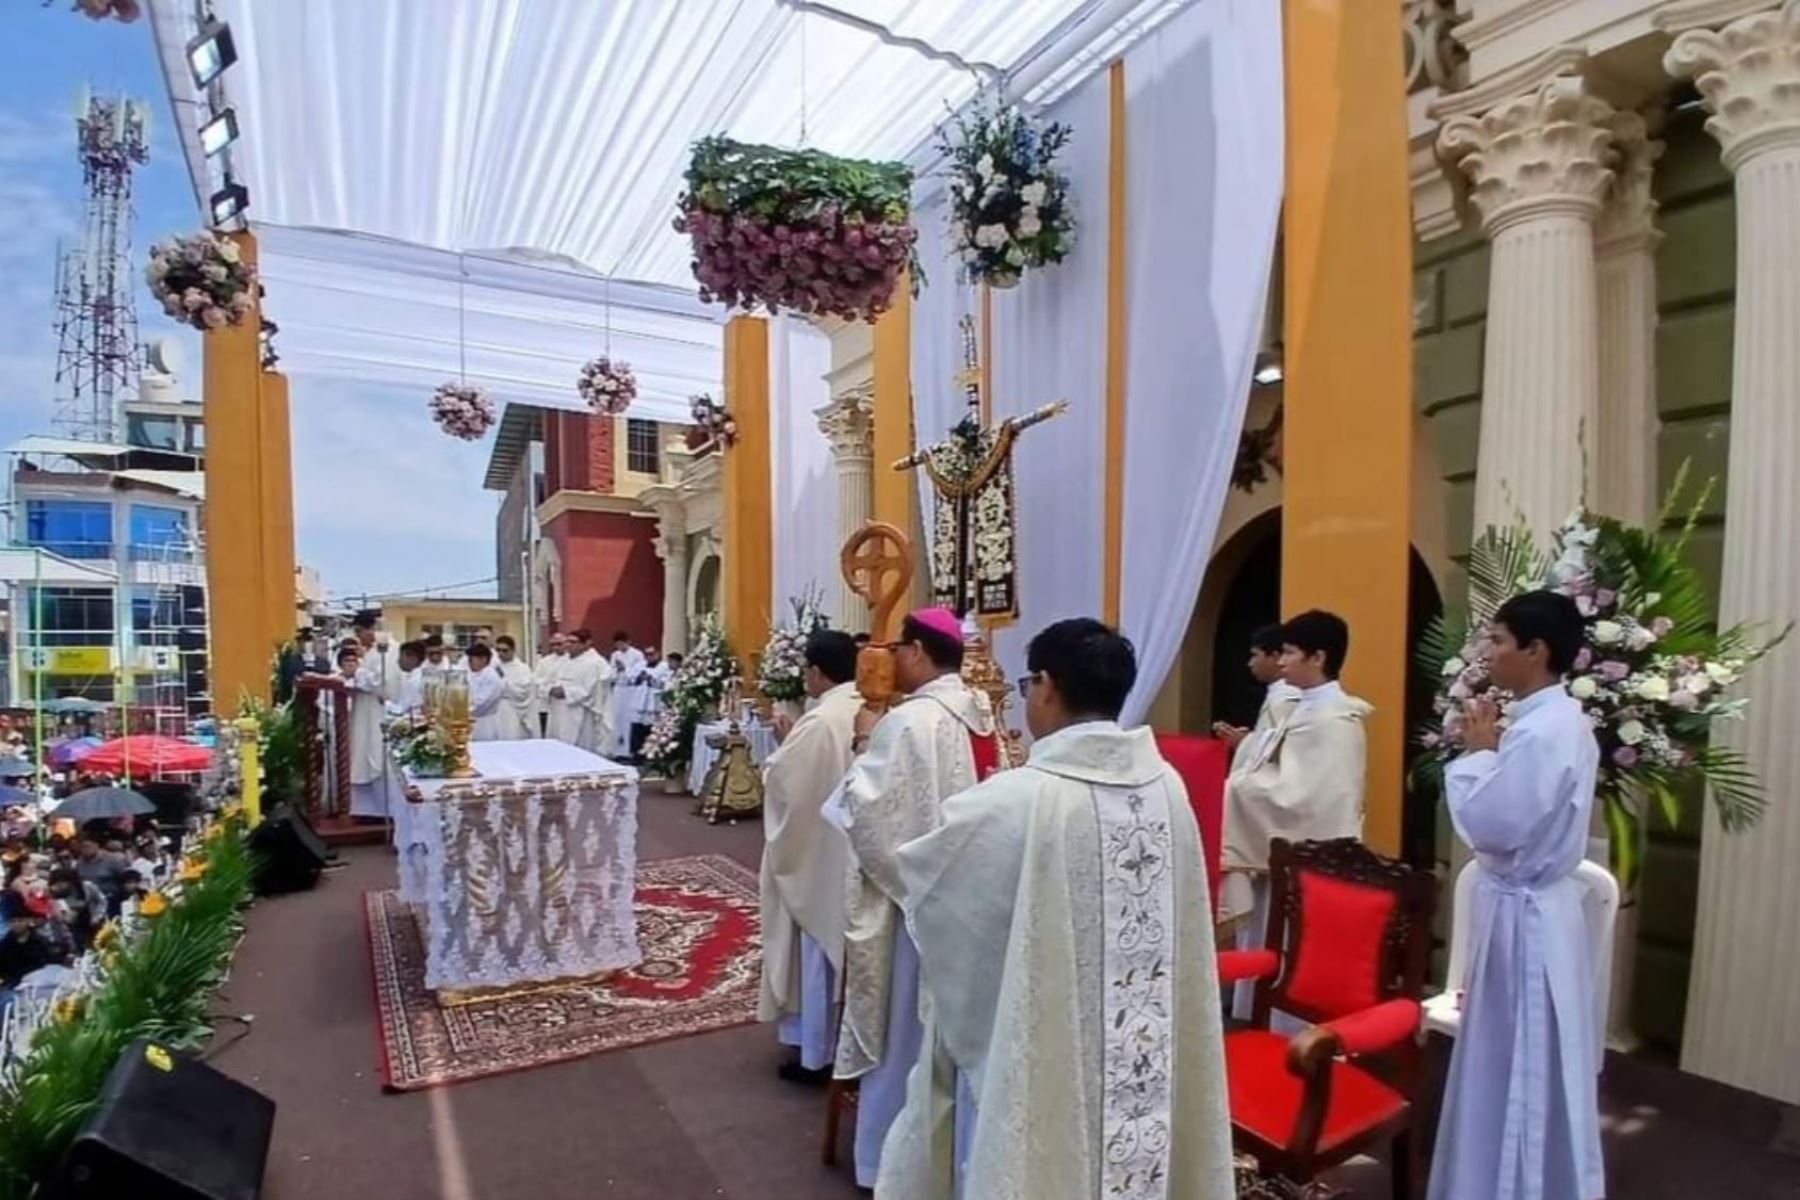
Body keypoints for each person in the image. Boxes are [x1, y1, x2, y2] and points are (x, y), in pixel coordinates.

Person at [877, 619, 1233, 1200]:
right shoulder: (1166, 784)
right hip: (1145, 1043)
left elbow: (929, 885)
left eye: (1027, 685)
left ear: (1046, 685)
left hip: (1048, 1042)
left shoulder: (1018, 798)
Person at [1430, 590, 1604, 1200]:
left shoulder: (1544, 730)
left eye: (1500, 641)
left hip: (1525, 916)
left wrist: (1479, 757)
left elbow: (1497, 827)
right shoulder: (1548, 722)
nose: (1490, 654)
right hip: (1526, 910)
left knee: (1517, 1062)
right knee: (1513, 1059)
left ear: (1536, 650)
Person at [828, 607, 999, 1191]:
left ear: (921, 652)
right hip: (969, 900)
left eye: (901, 647)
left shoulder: (910, 723)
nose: (894, 658)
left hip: (913, 908)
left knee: (903, 1035)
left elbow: (869, 817)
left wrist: (860, 746)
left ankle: (885, 1163)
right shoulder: (983, 715)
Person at [1219, 609, 1371, 1016]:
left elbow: (1307, 799)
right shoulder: (1303, 707)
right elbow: (1274, 763)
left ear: (1317, 658)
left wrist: (1238, 790)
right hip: (1278, 854)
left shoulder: (1334, 719)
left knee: (1296, 949)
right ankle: (1262, 1015)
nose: (1280, 660)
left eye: (1288, 652)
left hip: (1308, 862)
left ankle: (1294, 1031)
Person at [758, 630, 861, 1084]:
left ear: (817, 672)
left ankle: (815, 1055)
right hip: (849, 846)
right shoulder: (865, 707)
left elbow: (785, 783)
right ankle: (844, 1044)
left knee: (816, 953)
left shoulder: (819, 723)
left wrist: (782, 746)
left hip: (819, 852)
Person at [1212, 622, 1300, 770]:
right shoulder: (1279, 694)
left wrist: (1243, 742)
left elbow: (1282, 754)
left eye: (1255, 655)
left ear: (1275, 656)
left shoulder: (1287, 699)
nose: (1250, 663)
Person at [348, 616, 402, 819]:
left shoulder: (387, 651)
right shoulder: (373, 651)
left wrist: (358, 673)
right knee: (364, 751)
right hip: (366, 709)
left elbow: (382, 683)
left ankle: (382, 810)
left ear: (370, 630)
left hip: (377, 712)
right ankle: (366, 809)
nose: (358, 637)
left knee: (376, 754)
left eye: (359, 631)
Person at [547, 630, 611, 752]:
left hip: (580, 712)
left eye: (573, 642)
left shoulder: (593, 663)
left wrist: (567, 692)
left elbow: (592, 689)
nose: (568, 645)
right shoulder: (564, 661)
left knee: (579, 748)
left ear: (585, 644)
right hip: (559, 709)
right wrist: (551, 689)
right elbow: (553, 679)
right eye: (567, 641)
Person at [0, 890, 66, 1007]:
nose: (17, 924)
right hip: (12, 986)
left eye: (20, 921)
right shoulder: (5, 944)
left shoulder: (40, 942)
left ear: (28, 921)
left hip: (39, 984)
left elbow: (47, 964)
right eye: (13, 921)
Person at [608, 632, 648, 759]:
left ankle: (628, 751)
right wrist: (616, 671)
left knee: (628, 720)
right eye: (617, 644)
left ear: (628, 642)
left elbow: (638, 672)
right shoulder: (615, 655)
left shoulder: (637, 654)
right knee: (617, 718)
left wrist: (625, 669)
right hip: (619, 689)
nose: (619, 646)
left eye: (622, 643)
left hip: (631, 690)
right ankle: (616, 750)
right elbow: (611, 671)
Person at [47, 865, 107, 951]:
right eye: (56, 884)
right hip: (75, 933)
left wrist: (97, 916)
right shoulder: (56, 899)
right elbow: (63, 921)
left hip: (95, 924)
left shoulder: (87, 887)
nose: (59, 886)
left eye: (62, 882)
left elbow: (102, 901)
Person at [493, 636, 538, 740]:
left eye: (505, 650)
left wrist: (503, 680)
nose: (500, 653)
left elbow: (522, 692)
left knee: (511, 737)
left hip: (512, 709)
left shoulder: (522, 668)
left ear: (513, 650)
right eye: (498, 650)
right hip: (495, 708)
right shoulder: (494, 666)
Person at [73, 834, 128, 914]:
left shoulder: (112, 860)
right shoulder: (79, 863)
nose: (85, 850)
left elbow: (123, 879)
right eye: (82, 847)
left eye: (87, 846)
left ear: (96, 845)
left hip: (111, 899)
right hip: (91, 903)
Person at [467, 644, 508, 742]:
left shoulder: (492, 678)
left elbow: (482, 703)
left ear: (483, 659)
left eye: (472, 659)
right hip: (470, 722)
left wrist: (460, 711)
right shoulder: (472, 675)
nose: (469, 662)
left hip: (484, 723)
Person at [535, 633, 568, 738]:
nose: (556, 647)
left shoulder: (572, 660)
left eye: (559, 644)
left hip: (567, 702)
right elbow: (536, 680)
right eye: (553, 644)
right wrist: (549, 689)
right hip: (549, 703)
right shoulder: (544, 662)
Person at [392, 641, 427, 714]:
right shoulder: (409, 675)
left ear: (412, 658)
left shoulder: (415, 679)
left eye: (401, 656)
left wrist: (385, 703)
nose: (398, 661)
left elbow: (403, 707)